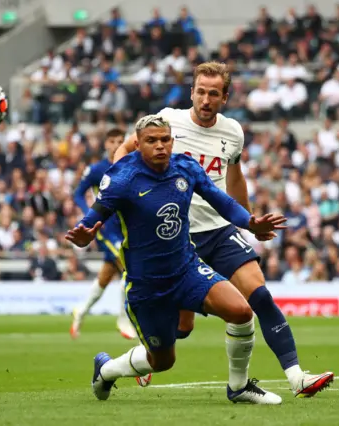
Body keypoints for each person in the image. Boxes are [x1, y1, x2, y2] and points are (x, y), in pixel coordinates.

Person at [114, 62, 334, 398]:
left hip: (218, 231)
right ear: (192, 92)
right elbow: (127, 150)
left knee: (258, 296)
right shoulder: (169, 121)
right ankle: (134, 361)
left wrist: (248, 222)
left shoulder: (232, 132)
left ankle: (294, 376)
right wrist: (119, 186)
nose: (205, 99)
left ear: (225, 97)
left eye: (213, 93)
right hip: (178, 239)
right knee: (181, 330)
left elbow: (235, 176)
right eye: (200, 91)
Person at [67, 115, 288, 404]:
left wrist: (250, 222)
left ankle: (239, 387)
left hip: (187, 269)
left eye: (165, 139)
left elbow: (222, 202)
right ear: (138, 144)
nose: (160, 146)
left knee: (241, 312)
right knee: (162, 362)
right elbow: (92, 218)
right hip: (147, 286)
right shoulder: (122, 178)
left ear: (172, 140)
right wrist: (85, 236)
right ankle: (106, 370)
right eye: (151, 141)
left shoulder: (185, 167)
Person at [71, 128, 136, 340]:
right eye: (112, 141)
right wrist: (90, 213)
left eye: (120, 140)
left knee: (106, 276)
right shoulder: (97, 169)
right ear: (105, 144)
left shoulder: (130, 165)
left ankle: (80, 311)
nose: (117, 144)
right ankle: (123, 320)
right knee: (129, 267)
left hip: (126, 226)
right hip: (106, 227)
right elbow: (78, 193)